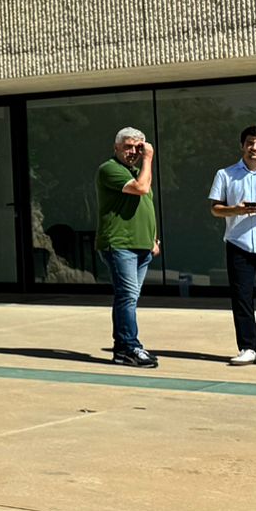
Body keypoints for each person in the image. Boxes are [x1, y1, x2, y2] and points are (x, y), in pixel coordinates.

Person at [96, 127, 161, 367]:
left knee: (131, 297)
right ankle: (129, 347)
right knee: (127, 296)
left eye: (138, 147)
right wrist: (148, 158)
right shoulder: (110, 169)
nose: (133, 151)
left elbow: (147, 204)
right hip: (120, 244)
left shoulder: (137, 171)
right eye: (128, 146)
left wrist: (153, 239)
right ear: (116, 148)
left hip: (142, 245)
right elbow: (141, 189)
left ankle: (123, 349)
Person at [209, 125, 256, 366]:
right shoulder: (225, 174)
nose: (254, 148)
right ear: (242, 145)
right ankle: (247, 347)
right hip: (238, 243)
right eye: (250, 143)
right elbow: (215, 208)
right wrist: (238, 210)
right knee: (242, 298)